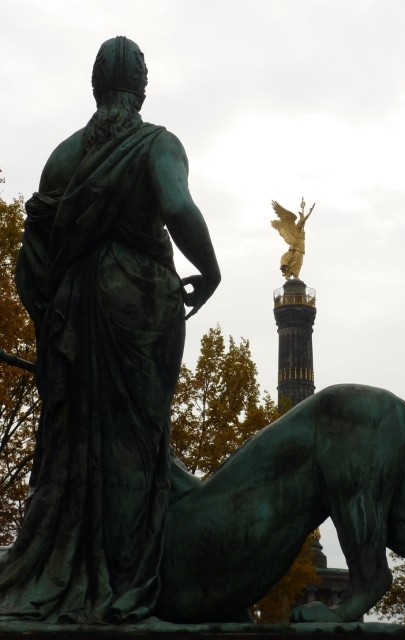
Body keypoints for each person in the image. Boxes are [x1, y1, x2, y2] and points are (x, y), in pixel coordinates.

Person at [0, 36, 220, 623]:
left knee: (70, 445)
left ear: (95, 85)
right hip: (140, 306)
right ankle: (126, 581)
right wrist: (210, 269)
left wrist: (51, 321)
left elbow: (33, 257)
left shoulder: (63, 156)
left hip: (75, 313)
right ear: (141, 88)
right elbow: (178, 207)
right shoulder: (158, 144)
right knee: (138, 442)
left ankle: (60, 567)